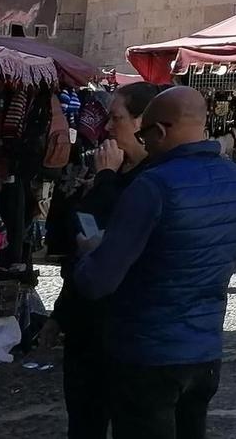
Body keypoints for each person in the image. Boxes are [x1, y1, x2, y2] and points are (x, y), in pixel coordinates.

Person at [72, 87, 236, 439]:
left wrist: (90, 250)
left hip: (148, 350)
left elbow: (98, 281)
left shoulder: (153, 185)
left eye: (145, 135)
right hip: (204, 349)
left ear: (161, 131)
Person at [55, 81, 161, 439]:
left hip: (122, 327)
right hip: (88, 326)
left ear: (142, 123)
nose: (107, 127)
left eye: (116, 118)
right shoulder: (118, 173)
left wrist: (103, 180)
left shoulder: (151, 183)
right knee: (85, 419)